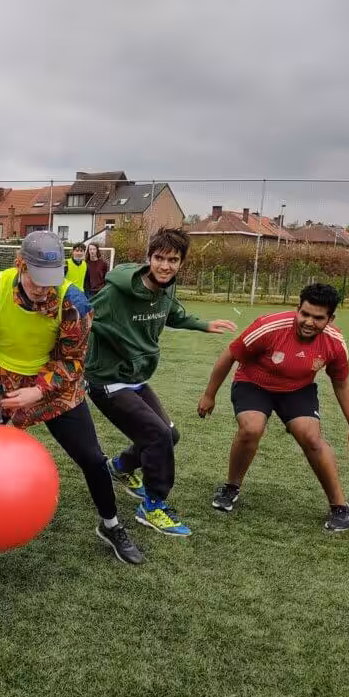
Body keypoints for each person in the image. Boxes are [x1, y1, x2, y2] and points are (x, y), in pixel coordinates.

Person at [0, 230, 144, 575]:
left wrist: (39, 389)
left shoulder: (73, 302)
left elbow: (74, 362)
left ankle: (110, 526)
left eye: (50, 281)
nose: (43, 290)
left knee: (92, 459)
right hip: (2, 384)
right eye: (36, 280)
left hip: (55, 390)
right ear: (21, 266)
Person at [85, 227, 237, 537]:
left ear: (181, 262)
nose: (165, 266)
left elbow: (171, 314)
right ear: (148, 258)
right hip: (107, 380)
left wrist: (204, 325)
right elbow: (83, 317)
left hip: (136, 377)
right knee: (157, 436)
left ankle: (120, 467)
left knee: (171, 435)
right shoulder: (116, 292)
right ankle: (152, 507)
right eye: (159, 258)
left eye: (173, 260)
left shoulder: (166, 289)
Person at [198, 283, 349, 532]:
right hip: (254, 383)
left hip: (297, 390)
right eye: (304, 314)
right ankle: (231, 486)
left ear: (330, 319)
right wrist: (209, 395)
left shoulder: (335, 342)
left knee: (312, 438)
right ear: (297, 309)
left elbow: (341, 384)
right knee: (251, 428)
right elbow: (230, 355)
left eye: (318, 318)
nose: (308, 322)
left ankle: (339, 506)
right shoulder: (268, 326)